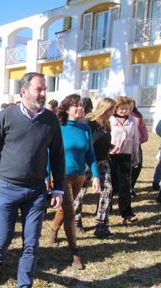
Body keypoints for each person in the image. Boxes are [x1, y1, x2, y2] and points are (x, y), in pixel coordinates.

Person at [0, 72, 65, 288]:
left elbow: (57, 155)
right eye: (39, 89)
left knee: (31, 243)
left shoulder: (50, 120)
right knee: (3, 238)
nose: (43, 93)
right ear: (24, 91)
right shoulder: (6, 117)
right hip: (7, 188)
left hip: (37, 191)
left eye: (45, 89)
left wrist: (57, 187)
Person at [49, 94, 99, 269]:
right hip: (60, 176)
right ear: (67, 109)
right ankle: (75, 252)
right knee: (71, 213)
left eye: (81, 106)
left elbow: (90, 154)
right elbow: (50, 153)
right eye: (76, 105)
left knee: (65, 208)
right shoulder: (58, 127)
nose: (80, 108)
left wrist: (96, 176)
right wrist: (47, 176)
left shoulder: (85, 129)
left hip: (79, 176)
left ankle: (54, 229)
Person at [74, 98, 117, 238]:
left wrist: (109, 147)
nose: (113, 112)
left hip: (103, 161)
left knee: (108, 190)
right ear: (104, 108)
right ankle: (75, 220)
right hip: (87, 162)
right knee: (80, 192)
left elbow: (103, 141)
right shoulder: (89, 123)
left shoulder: (107, 124)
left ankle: (101, 224)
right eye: (111, 109)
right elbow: (84, 142)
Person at [110, 96, 140, 224]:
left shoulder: (132, 121)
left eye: (127, 109)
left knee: (125, 186)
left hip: (125, 156)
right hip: (111, 156)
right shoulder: (110, 120)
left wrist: (135, 155)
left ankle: (127, 213)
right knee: (109, 185)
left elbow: (135, 140)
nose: (124, 111)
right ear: (116, 108)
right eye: (122, 108)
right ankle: (105, 209)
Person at [130, 101, 148, 197]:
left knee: (137, 166)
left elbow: (143, 130)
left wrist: (143, 138)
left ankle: (131, 187)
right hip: (123, 146)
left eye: (131, 104)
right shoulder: (117, 116)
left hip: (136, 145)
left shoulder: (137, 116)